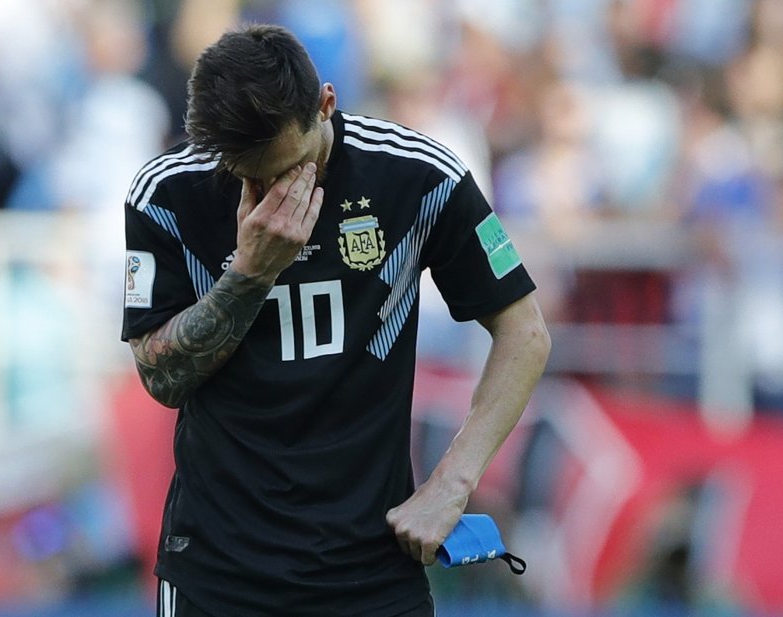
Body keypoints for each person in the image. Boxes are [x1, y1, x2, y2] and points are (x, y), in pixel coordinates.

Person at [121, 23, 550, 617]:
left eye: (288, 167)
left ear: (325, 104)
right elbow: (159, 378)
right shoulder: (168, 194)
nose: (273, 193)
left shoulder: (418, 177)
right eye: (247, 175)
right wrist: (248, 275)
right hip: (218, 572)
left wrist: (451, 485)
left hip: (370, 572)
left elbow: (524, 331)